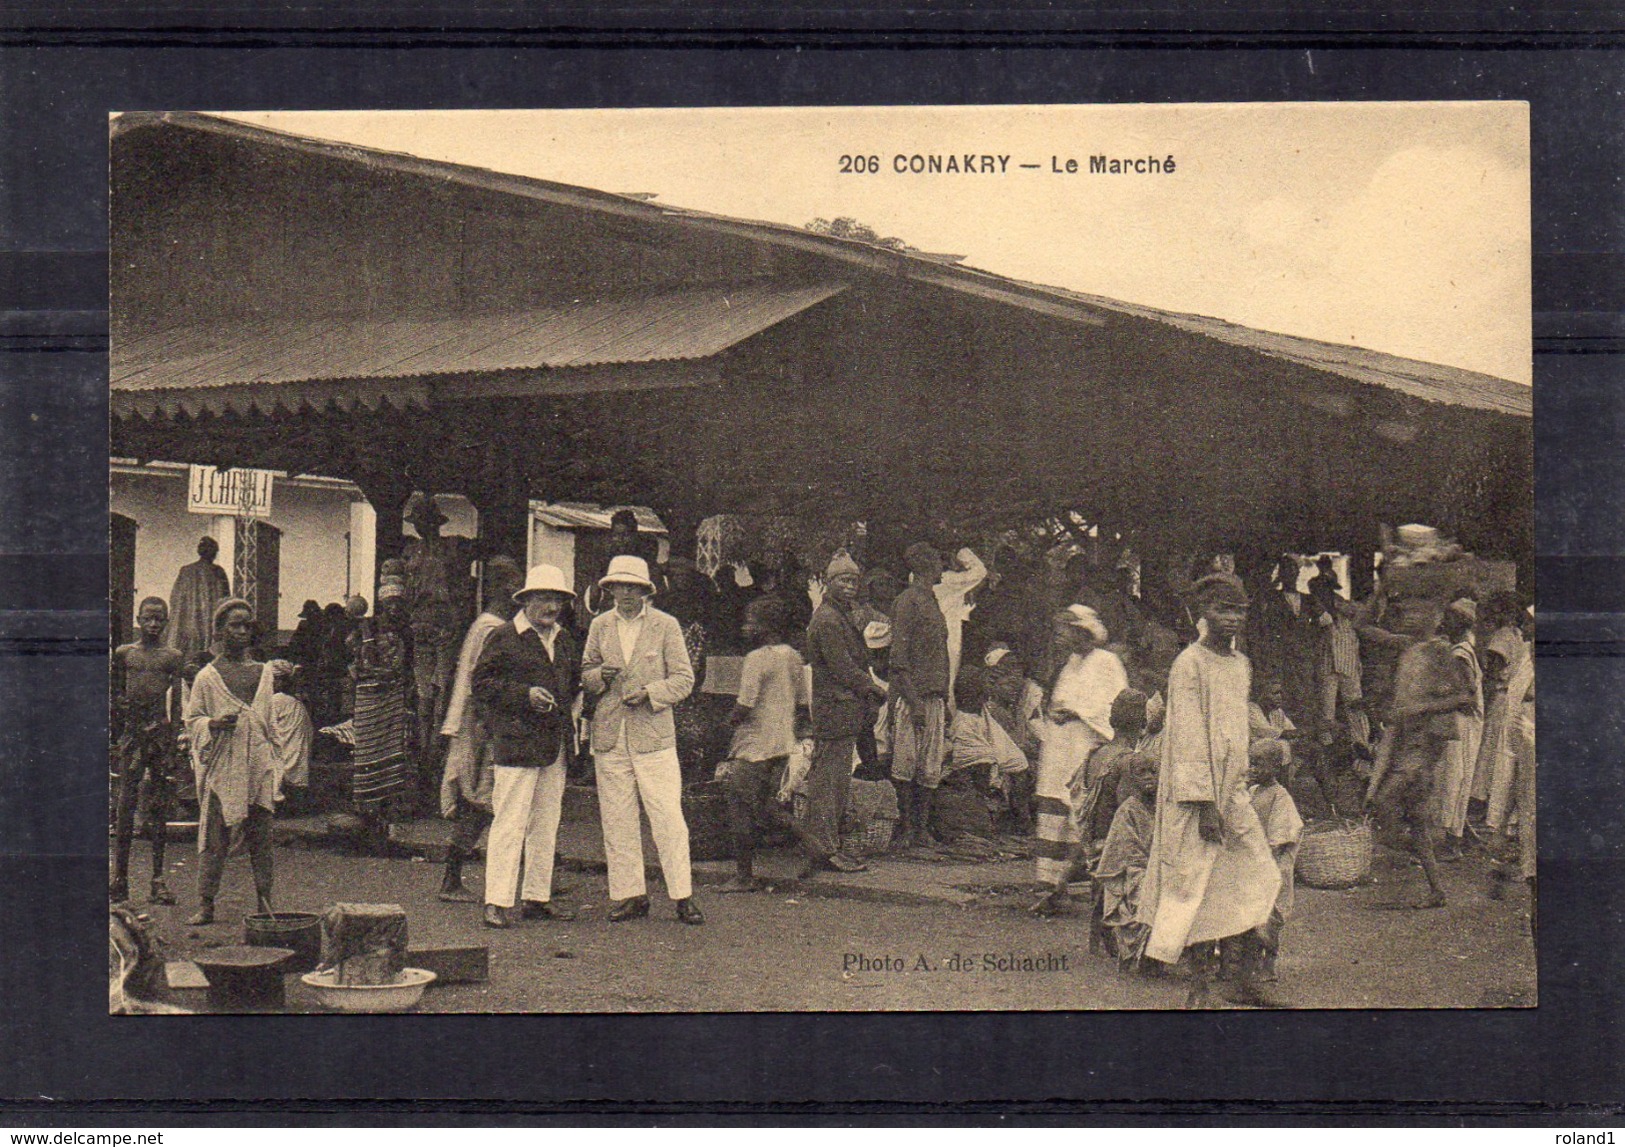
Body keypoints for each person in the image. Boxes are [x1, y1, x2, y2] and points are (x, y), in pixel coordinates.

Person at [1138, 573, 1282, 1008]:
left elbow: (1237, 725)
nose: (1232, 618)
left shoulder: (1240, 665)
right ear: (1202, 613)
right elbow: (1187, 737)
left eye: (1239, 610)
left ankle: (1238, 975)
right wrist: (1203, 804)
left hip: (1233, 788)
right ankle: (1200, 985)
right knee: (1198, 882)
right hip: (1194, 794)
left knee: (1256, 873)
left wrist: (1261, 755)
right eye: (1223, 609)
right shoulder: (1189, 665)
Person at [582, 555, 703, 925]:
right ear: (610, 589)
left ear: (645, 591)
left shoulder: (666, 626)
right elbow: (585, 673)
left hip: (653, 736)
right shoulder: (600, 625)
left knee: (667, 815)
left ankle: (682, 894)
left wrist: (651, 692)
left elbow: (684, 679)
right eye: (620, 586)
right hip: (610, 734)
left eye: (633, 586)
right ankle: (630, 894)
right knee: (617, 816)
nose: (626, 593)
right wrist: (600, 674)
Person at [471, 563, 581, 929]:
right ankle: (497, 900)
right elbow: (482, 684)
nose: (552, 607)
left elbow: (574, 685)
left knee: (546, 824)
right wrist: (524, 695)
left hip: (554, 745)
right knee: (510, 822)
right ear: (527, 600)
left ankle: (537, 896)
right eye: (545, 599)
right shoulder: (504, 636)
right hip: (517, 742)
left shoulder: (564, 640)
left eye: (558, 600)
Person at [180, 598, 292, 924]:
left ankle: (264, 901)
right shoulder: (207, 677)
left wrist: (277, 765)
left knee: (262, 836)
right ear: (219, 630)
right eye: (234, 625)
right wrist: (212, 724)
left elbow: (271, 725)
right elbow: (193, 719)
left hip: (258, 762)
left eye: (246, 625)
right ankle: (206, 903)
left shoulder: (264, 673)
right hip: (223, 765)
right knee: (215, 834)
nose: (242, 631)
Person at [1365, 593, 1477, 909]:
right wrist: (1379, 589)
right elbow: (1364, 628)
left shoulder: (1440, 652)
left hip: (1423, 747)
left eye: (1414, 615)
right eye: (1404, 616)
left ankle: (1408, 864)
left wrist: (1414, 709)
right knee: (1415, 823)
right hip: (1405, 741)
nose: (1407, 621)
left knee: (1386, 805)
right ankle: (1436, 889)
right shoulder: (1410, 649)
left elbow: (1464, 699)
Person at [435, 556, 524, 903]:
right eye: (516, 582)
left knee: (495, 800)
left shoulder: (490, 624)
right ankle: (451, 877)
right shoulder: (491, 627)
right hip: (483, 723)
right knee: (481, 800)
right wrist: (488, 724)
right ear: (504, 587)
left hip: (484, 721)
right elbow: (483, 682)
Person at [1031, 605, 1128, 917]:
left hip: (1083, 745)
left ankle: (1062, 883)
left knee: (1078, 813)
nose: (1060, 637)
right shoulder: (1070, 664)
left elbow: (1115, 705)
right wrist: (1059, 711)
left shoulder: (1107, 662)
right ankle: (1049, 886)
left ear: (1081, 632)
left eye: (1065, 631)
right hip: (1060, 747)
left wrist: (1077, 712)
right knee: (1054, 812)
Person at [802, 552, 888, 874]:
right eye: (843, 580)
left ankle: (826, 845)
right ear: (829, 582)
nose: (850, 586)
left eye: (853, 580)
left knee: (834, 780)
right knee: (829, 783)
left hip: (842, 709)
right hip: (834, 708)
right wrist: (873, 688)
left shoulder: (841, 616)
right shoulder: (827, 620)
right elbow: (842, 667)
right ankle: (824, 849)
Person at [719, 596, 809, 892]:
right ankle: (819, 849)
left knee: (740, 807)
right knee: (768, 808)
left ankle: (744, 876)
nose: (745, 628)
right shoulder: (793, 656)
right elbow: (803, 702)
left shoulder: (757, 658)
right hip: (782, 742)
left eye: (751, 622)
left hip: (754, 744)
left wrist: (725, 725)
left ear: (766, 627)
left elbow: (745, 704)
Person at [110, 597, 184, 904]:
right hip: (131, 735)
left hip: (160, 736)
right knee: (126, 805)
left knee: (158, 806)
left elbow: (177, 702)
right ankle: (120, 879)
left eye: (160, 619)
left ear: (167, 622)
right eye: (149, 619)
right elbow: (114, 694)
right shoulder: (124, 653)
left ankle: (157, 879)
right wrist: (119, 732)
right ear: (138, 619)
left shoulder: (172, 656)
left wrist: (173, 739)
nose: (154, 625)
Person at [889, 542, 953, 848]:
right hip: (912, 697)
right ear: (928, 566)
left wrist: (944, 698)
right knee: (905, 763)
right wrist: (913, 702)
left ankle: (921, 829)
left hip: (934, 696)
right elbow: (898, 659)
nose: (943, 568)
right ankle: (906, 827)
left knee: (930, 767)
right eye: (940, 562)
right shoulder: (908, 602)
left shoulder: (932, 601)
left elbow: (940, 653)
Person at [348, 581, 416, 845]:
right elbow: (357, 657)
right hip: (369, 695)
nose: (394, 606)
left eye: (399, 601)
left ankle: (387, 812)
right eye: (390, 602)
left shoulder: (405, 630)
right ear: (382, 603)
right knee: (367, 750)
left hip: (394, 693)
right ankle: (368, 812)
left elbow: (408, 662)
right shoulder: (369, 626)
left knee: (393, 750)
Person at [1093, 751, 1159, 969]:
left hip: (1160, 867)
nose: (1149, 777)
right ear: (1132, 777)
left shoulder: (1165, 808)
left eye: (1154, 772)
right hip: (1134, 870)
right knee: (1143, 893)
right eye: (1142, 773)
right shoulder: (1128, 810)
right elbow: (1124, 851)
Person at [1248, 738, 1303, 981]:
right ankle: (1249, 964)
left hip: (1272, 868)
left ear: (1277, 766)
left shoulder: (1280, 797)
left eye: (1259, 764)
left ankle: (1268, 966)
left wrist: (1263, 861)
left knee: (1270, 921)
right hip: (1253, 864)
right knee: (1251, 919)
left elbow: (1280, 837)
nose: (1254, 769)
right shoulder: (1252, 792)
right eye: (1251, 763)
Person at [1433, 599, 1484, 859]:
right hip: (1464, 723)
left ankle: (1451, 843)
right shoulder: (1462, 649)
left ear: (1461, 622)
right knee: (1458, 779)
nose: (1445, 621)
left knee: (1454, 779)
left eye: (1450, 617)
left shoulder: (1459, 654)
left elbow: (1469, 697)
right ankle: (1461, 837)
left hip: (1461, 724)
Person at [1080, 687, 1149, 850]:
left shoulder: (1095, 753)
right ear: (1144, 724)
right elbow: (1130, 816)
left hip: (1090, 844)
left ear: (1111, 721)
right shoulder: (1129, 761)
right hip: (1113, 850)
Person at [166, 535, 231, 666]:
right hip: (195, 624)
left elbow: (226, 601)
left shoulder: (217, 572)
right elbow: (177, 600)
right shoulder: (188, 571)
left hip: (204, 624)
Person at [933, 546, 988, 698]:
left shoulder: (916, 578)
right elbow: (980, 571)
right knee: (949, 681)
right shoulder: (951, 580)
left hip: (930, 631)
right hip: (949, 634)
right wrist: (961, 552)